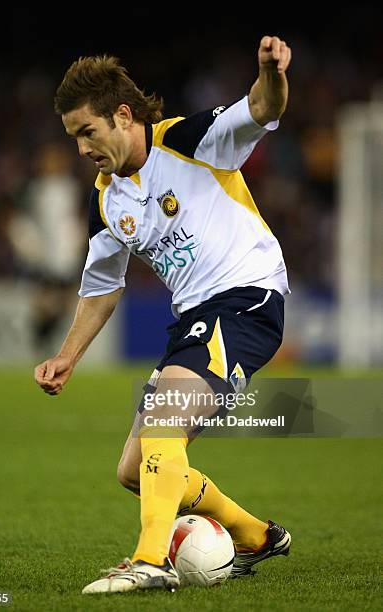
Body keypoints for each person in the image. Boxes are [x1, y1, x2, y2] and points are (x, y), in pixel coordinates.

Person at [35, 35, 292, 594]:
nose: (82, 148)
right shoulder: (107, 197)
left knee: (163, 425)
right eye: (73, 136)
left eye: (88, 132)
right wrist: (67, 356)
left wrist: (272, 73)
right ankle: (254, 536)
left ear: (122, 115)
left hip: (245, 298)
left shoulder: (190, 140)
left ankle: (151, 560)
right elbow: (103, 286)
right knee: (135, 470)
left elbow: (263, 109)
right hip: (196, 317)